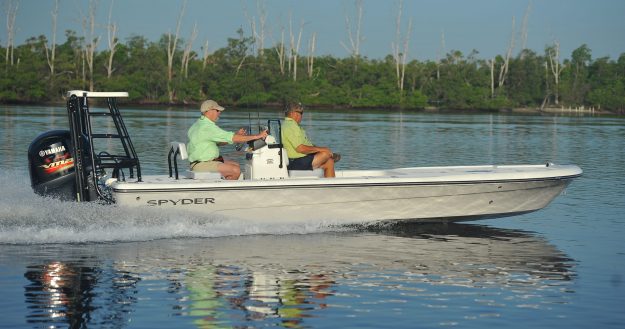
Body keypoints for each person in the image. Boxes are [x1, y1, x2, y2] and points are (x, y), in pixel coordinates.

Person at [187, 100, 268, 180]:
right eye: (217, 110)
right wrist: (257, 136)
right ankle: (227, 191)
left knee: (236, 165)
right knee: (235, 170)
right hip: (201, 164)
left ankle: (224, 185)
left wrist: (237, 135)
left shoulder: (198, 124)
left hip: (201, 162)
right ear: (208, 111)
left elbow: (219, 142)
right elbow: (233, 138)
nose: (219, 113)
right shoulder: (207, 127)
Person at [281, 102, 340, 178]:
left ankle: (330, 187)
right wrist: (323, 150)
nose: (302, 116)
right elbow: (300, 148)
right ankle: (330, 155)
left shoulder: (289, 125)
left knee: (329, 162)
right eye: (301, 113)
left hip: (299, 159)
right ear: (293, 113)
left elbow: (306, 145)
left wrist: (320, 150)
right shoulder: (291, 126)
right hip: (296, 161)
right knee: (325, 154)